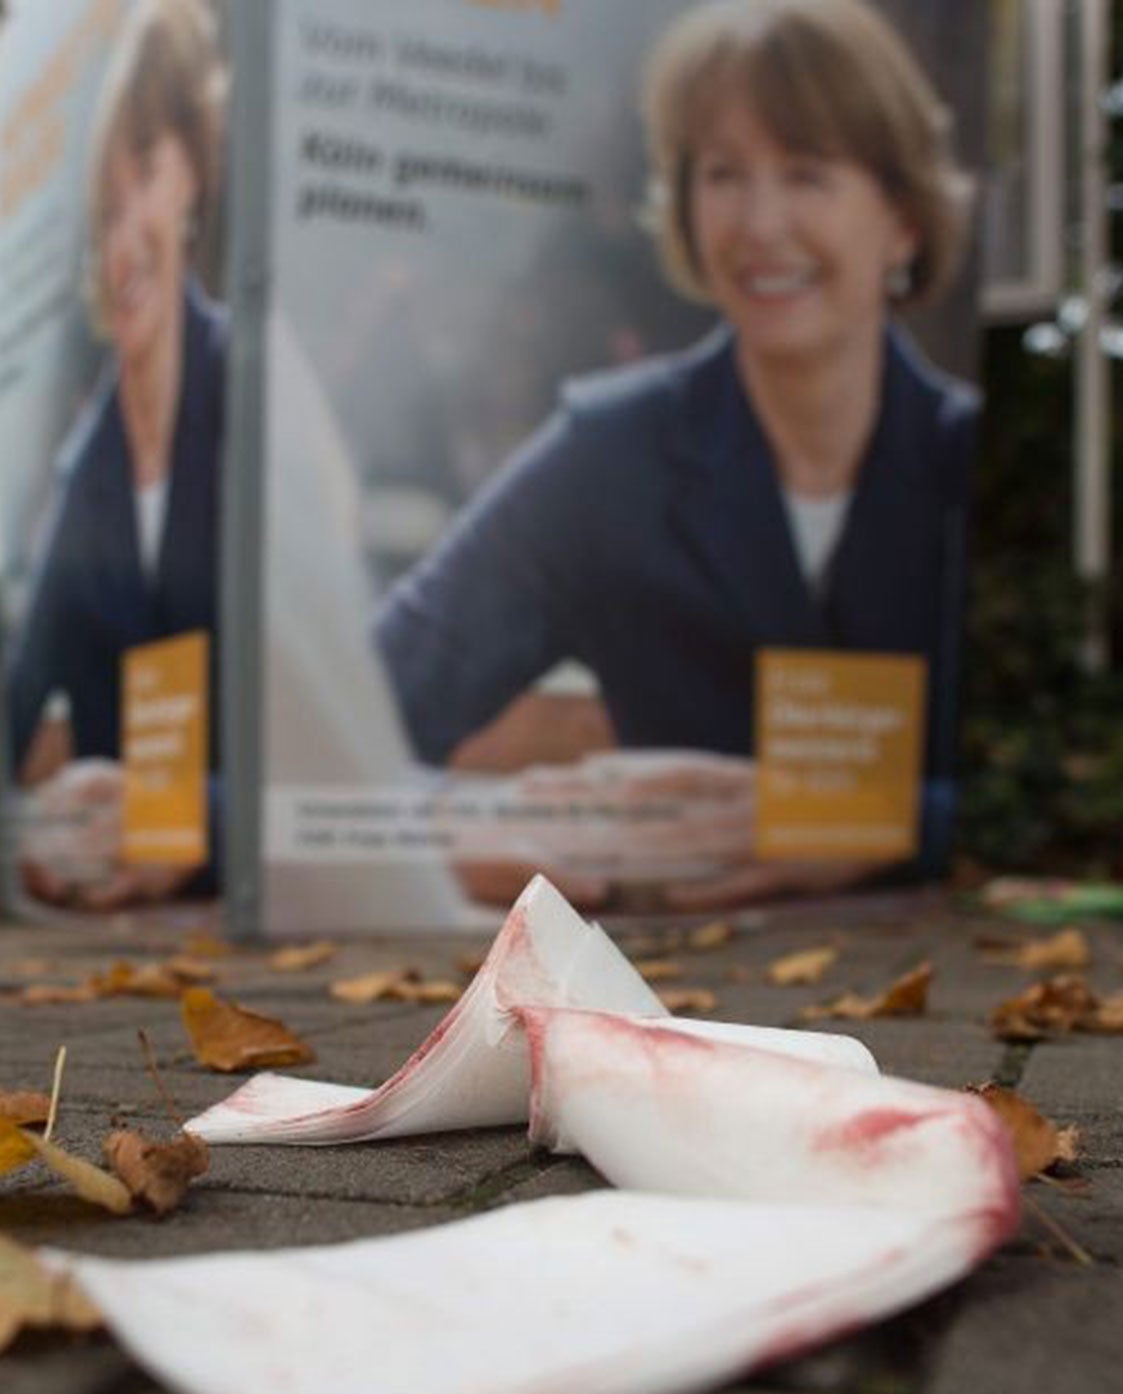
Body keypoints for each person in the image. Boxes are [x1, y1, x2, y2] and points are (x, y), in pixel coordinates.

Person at [373, 0, 976, 910]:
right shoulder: (607, 458)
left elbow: (1109, 806)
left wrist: (882, 823)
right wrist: (435, 821)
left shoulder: (968, 458)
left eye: (807, 174)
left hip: (979, 1009)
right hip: (666, 988)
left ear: (903, 219)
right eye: (724, 174)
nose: (759, 223)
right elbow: (338, 731)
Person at [4, 0, 226, 910]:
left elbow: (351, 760)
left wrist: (201, 821)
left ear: (196, 175)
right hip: (120, 920)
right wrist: (17, 831)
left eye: (146, 170)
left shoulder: (260, 405)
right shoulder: (85, 464)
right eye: (102, 200)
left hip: (254, 918)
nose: (121, 229)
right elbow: (16, 718)